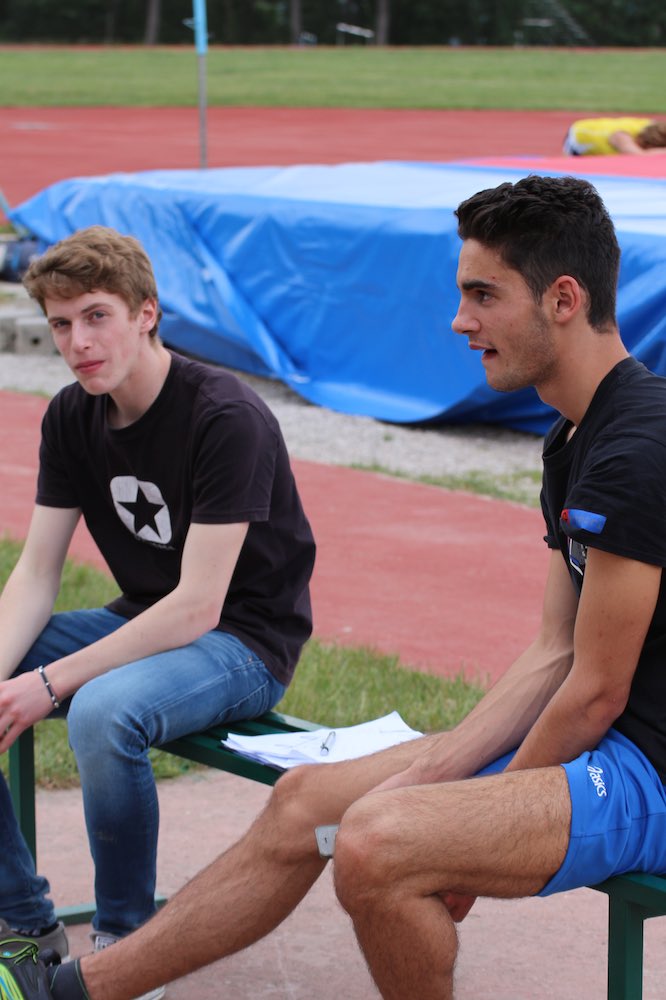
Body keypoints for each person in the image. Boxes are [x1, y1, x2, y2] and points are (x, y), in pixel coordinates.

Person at [7, 173, 666, 1000]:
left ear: (563, 299)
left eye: (482, 295)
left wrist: (471, 814)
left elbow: (596, 691)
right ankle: (72, 991)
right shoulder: (573, 433)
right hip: (602, 738)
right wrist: (441, 775)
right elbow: (551, 652)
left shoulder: (637, 448)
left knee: (375, 841)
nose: (460, 320)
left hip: (648, 771)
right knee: (303, 803)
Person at [0, 227, 315, 1000]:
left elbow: (198, 607)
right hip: (144, 620)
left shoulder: (225, 416)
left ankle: (125, 950)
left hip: (242, 642)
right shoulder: (71, 416)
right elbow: (35, 574)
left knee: (101, 711)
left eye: (96, 316)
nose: (78, 342)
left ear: (146, 314)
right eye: (61, 323)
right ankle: (22, 924)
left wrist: (50, 682)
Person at [563, 115, 666, 155]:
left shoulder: (654, 126)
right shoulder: (621, 137)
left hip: (593, 126)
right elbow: (640, 156)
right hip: (575, 140)